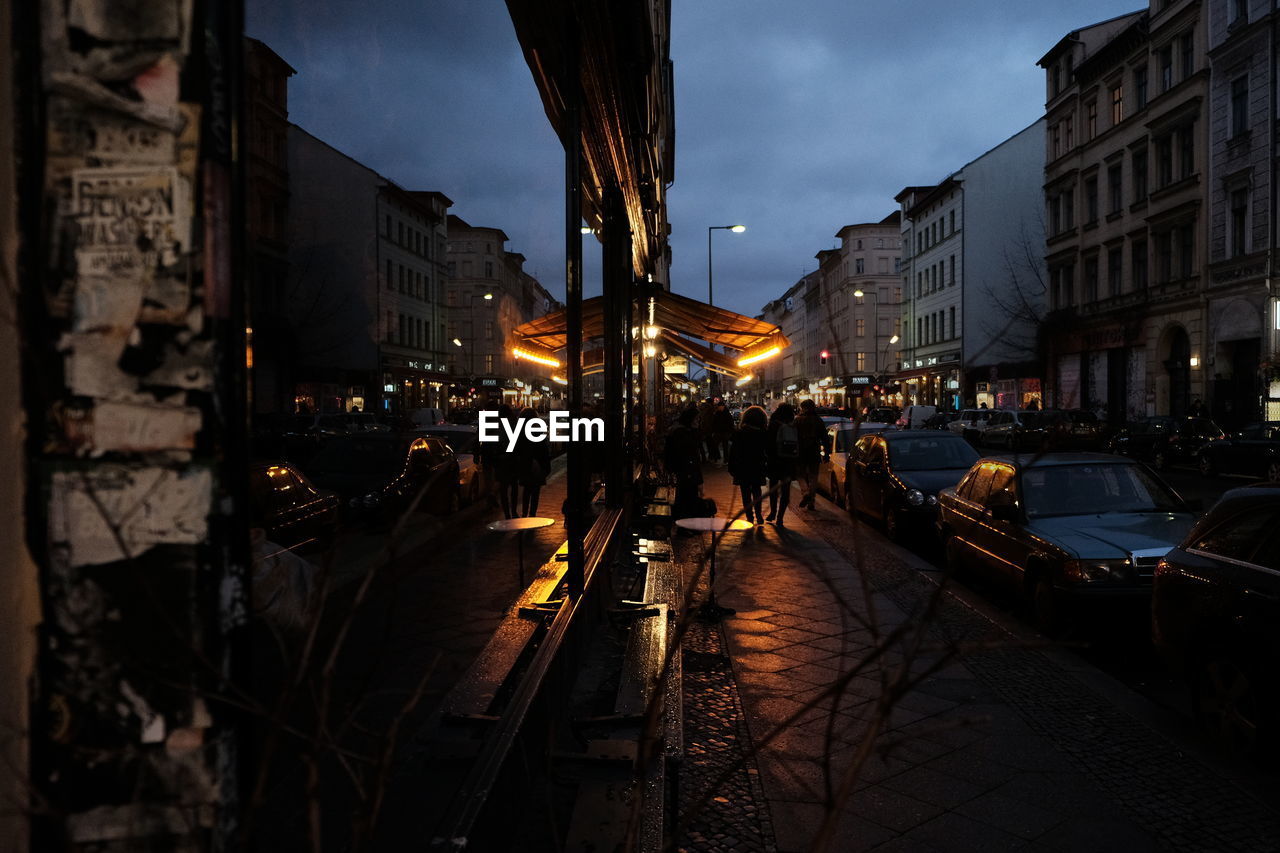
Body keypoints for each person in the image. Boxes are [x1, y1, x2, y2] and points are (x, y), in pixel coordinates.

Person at [728, 405, 769, 524]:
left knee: (745, 492)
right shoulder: (763, 433)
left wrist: (731, 467)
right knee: (757, 490)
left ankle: (749, 516)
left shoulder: (740, 433)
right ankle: (758, 514)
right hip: (757, 465)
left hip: (742, 466)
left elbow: (733, 452)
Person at [664, 406, 704, 520]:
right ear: (690, 419)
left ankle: (686, 523)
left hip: (686, 471)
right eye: (696, 419)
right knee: (686, 497)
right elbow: (688, 454)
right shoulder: (682, 433)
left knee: (686, 497)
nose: (698, 422)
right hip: (686, 471)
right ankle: (684, 524)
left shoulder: (683, 431)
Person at [765, 403, 799, 526]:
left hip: (774, 460)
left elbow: (768, 442)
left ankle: (772, 512)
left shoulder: (774, 424)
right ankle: (780, 517)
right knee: (786, 490)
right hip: (789, 461)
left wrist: (768, 455)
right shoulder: (793, 425)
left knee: (773, 488)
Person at [514, 407, 550, 517]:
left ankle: (525, 513)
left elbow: (517, 449)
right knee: (535, 491)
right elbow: (544, 449)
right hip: (538, 464)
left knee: (527, 490)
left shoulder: (520, 432)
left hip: (525, 464)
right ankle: (532, 514)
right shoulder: (538, 430)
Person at [794, 399, 825, 509]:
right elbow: (825, 438)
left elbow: (793, 437)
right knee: (813, 477)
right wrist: (826, 453)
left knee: (800, 475)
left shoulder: (798, 420)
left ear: (803, 408)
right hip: (814, 451)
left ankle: (805, 492)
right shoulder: (818, 420)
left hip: (801, 452)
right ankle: (811, 501)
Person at [492, 404, 520, 518]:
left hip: (503, 460)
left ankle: (508, 513)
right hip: (511, 459)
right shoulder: (514, 423)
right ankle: (512, 511)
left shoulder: (498, 425)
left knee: (504, 488)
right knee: (513, 487)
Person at [712, 397, 735, 465]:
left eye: (720, 406)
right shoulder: (717, 413)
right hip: (718, 432)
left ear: (723, 406)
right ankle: (717, 458)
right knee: (715, 445)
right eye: (718, 406)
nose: (719, 408)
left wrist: (729, 431)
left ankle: (726, 460)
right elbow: (714, 422)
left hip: (725, 432)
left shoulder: (727, 414)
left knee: (725, 446)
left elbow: (731, 423)